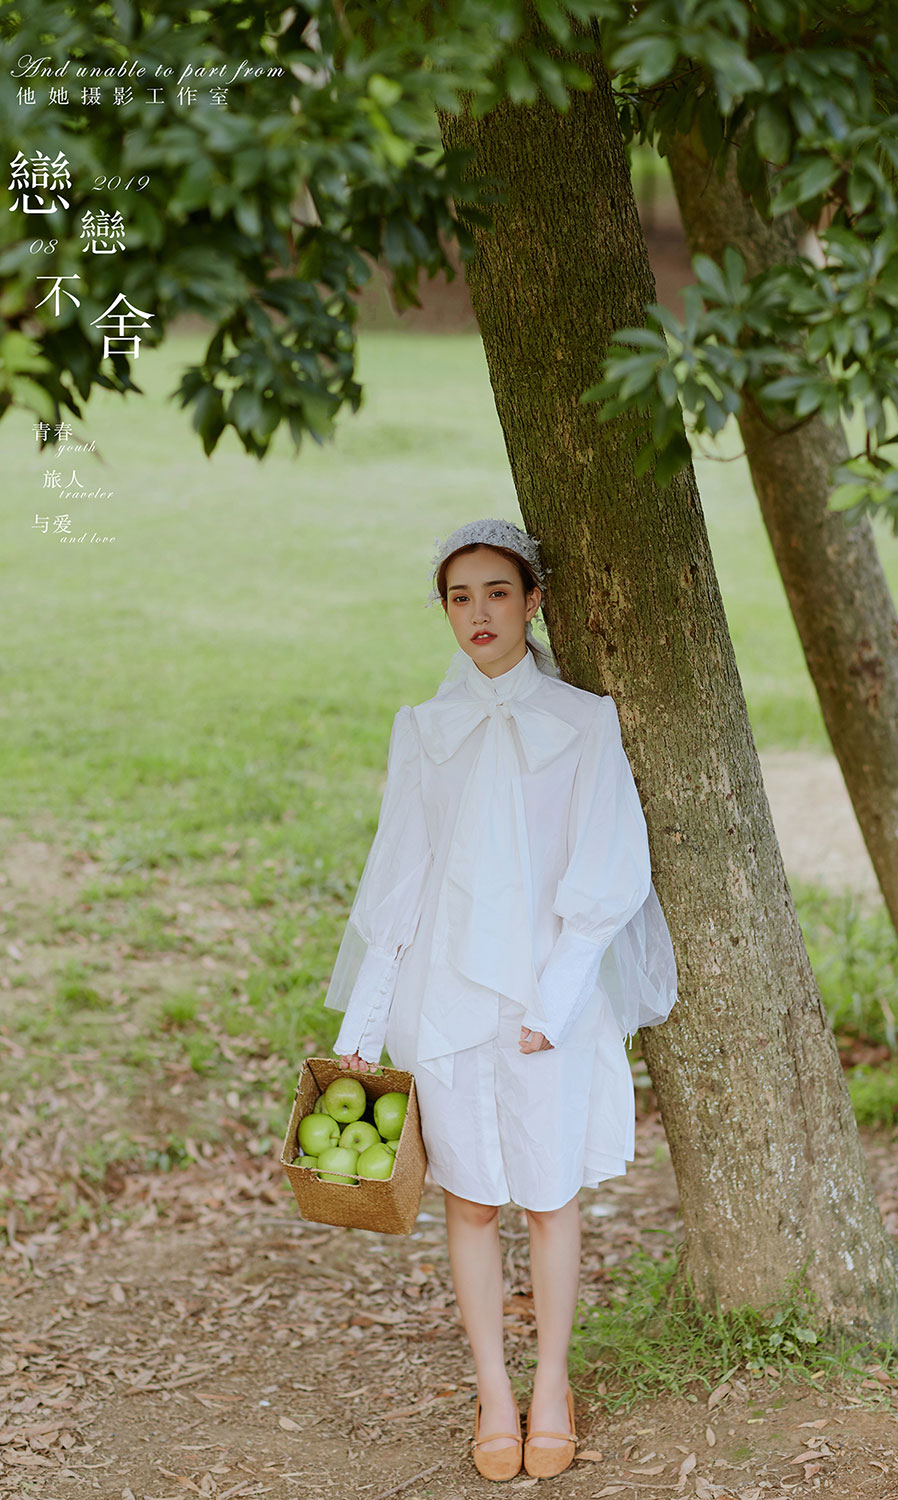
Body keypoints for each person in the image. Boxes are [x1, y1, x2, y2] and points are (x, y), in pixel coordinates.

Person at [324, 518, 678, 1481]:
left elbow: (609, 870)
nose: (478, 613)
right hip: (443, 1000)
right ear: (444, 611)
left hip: (549, 997)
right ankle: (493, 1389)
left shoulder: (585, 721)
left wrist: (553, 1003)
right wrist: (364, 1024)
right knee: (473, 1201)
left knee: (549, 1200)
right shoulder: (422, 728)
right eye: (459, 597)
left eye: (497, 592)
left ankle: (552, 1384)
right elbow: (399, 876)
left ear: (533, 602)